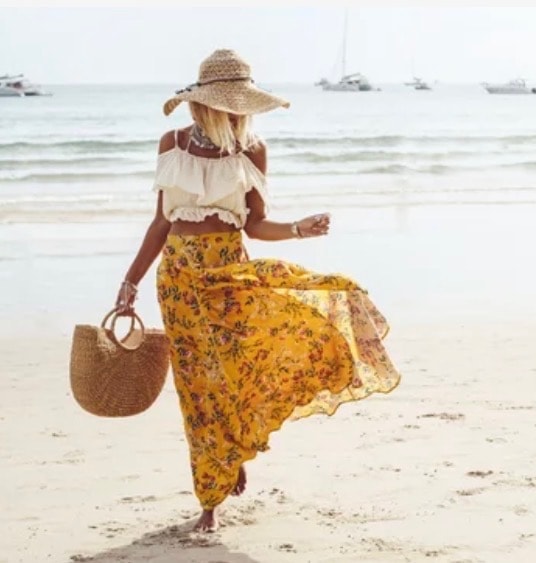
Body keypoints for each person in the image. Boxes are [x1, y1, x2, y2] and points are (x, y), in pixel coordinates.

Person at [114, 49, 400, 532]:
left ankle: (234, 449)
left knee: (237, 373)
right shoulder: (172, 143)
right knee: (197, 388)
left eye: (241, 105)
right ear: (206, 104)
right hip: (180, 282)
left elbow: (256, 225)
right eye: (230, 104)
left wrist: (298, 230)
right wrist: (130, 282)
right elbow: (161, 222)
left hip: (230, 275)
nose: (237, 112)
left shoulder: (253, 150)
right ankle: (210, 496)